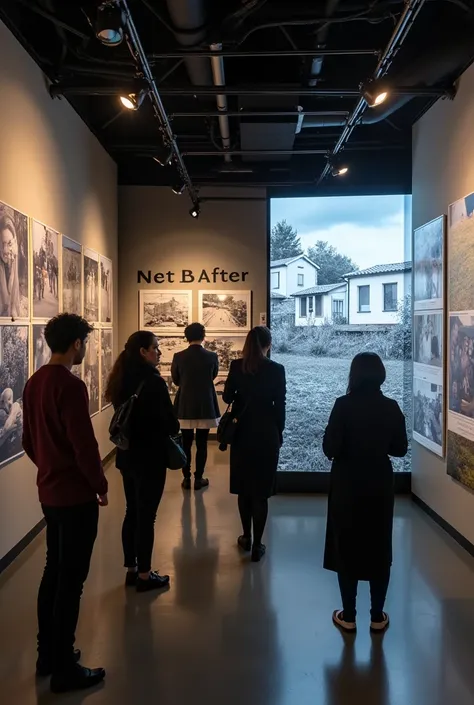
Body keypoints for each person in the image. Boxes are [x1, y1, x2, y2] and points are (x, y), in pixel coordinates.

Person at [22, 314, 107, 694]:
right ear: (76, 343)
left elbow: (28, 440)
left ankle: (48, 656)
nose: (84, 349)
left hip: (50, 494)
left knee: (53, 572)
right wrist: (99, 484)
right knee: (71, 581)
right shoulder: (70, 386)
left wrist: (49, 468)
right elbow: (84, 446)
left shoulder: (34, 381)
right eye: (84, 343)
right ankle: (64, 671)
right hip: (75, 497)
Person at [322, 352, 408, 634]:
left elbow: (330, 450)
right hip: (379, 484)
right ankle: (376, 615)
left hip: (347, 482)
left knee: (346, 545)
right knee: (379, 546)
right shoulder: (391, 407)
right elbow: (399, 449)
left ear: (354, 375)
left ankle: (348, 615)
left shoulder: (342, 406)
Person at [105, 330, 179, 592]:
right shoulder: (154, 383)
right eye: (155, 347)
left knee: (132, 512)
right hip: (151, 459)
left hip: (127, 457)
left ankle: (132, 569)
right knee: (147, 516)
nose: (159, 352)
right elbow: (170, 423)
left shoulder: (120, 380)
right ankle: (146, 577)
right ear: (143, 352)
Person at [223, 326, 286, 562]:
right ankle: (258, 544)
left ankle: (246, 537)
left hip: (242, 433)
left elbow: (228, 397)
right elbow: (280, 405)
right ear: (268, 344)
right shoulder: (277, 369)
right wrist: (279, 432)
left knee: (244, 488)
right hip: (267, 434)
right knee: (261, 492)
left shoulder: (236, 366)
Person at [171, 323, 219, 490]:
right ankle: (199, 478)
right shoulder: (212, 356)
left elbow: (176, 380)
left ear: (186, 337)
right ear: (203, 336)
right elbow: (213, 376)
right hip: (206, 404)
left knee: (185, 443)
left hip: (185, 404)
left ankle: (186, 478)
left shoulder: (178, 356)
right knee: (202, 444)